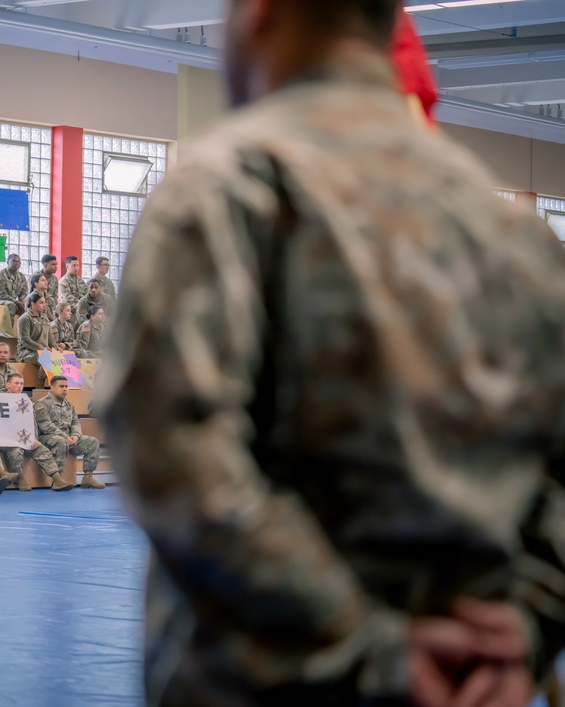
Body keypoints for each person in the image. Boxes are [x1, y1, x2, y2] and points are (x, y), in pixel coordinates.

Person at [100, 1, 564, 705]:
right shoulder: (515, 232)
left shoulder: (233, 188)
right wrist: (527, 623)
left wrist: (365, 640)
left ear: (260, 13)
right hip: (478, 680)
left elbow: (171, 448)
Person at [0, 371, 73, 492]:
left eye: (22, 383)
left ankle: (57, 479)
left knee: (41, 449)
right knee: (15, 451)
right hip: (7, 440)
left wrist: (34, 438)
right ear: (8, 384)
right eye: (16, 383)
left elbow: (32, 423)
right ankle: (19, 479)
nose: (19, 386)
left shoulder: (27, 403)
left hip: (25, 437)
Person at [34, 376, 101, 489]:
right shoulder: (42, 404)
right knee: (60, 441)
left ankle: (87, 477)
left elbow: (75, 423)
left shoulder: (69, 406)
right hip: (48, 438)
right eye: (61, 386)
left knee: (92, 441)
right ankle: (57, 480)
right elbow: (46, 426)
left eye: (66, 386)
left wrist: (75, 436)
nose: (65, 389)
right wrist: (65, 437)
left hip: (68, 439)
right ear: (52, 388)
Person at [16, 293, 53, 364]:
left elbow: (50, 337)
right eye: (41, 303)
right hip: (27, 352)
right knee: (46, 358)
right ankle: (42, 376)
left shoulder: (45, 318)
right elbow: (24, 340)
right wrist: (41, 348)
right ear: (33, 304)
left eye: (44, 303)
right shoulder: (25, 318)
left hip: (44, 351)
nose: (44, 305)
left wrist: (56, 348)